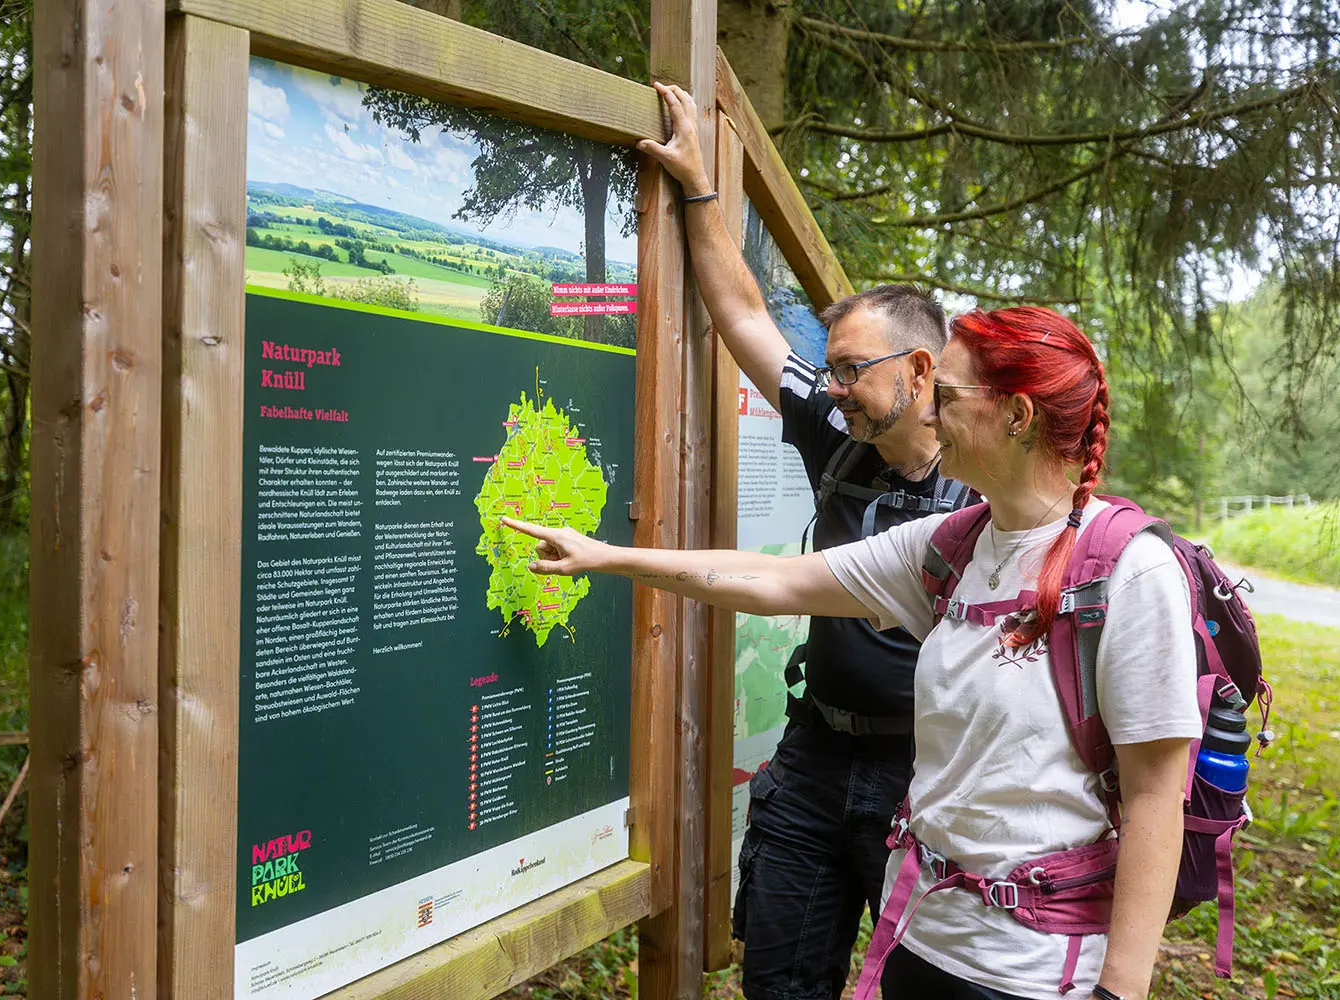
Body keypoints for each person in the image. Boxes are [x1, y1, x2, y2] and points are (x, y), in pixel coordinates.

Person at [501, 305, 1198, 1000]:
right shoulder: (953, 545)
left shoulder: (1128, 572)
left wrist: (1119, 992)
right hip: (924, 942)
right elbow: (775, 580)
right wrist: (609, 556)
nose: (929, 416)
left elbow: (1156, 799)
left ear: (1016, 415)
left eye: (947, 399)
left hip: (1036, 970)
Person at [633, 81, 976, 998]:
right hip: (815, 760)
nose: (831, 389)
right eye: (828, 370)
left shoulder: (986, 480)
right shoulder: (836, 432)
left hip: (928, 777)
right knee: (781, 982)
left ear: (917, 371)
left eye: (851, 371)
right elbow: (744, 316)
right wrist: (704, 193)